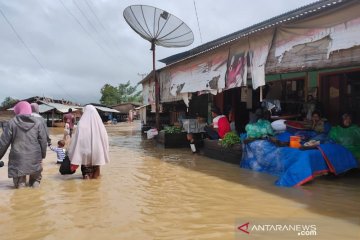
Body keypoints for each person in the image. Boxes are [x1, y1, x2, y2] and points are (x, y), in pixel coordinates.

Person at [0, 101, 47, 188]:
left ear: (18, 110)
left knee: (20, 186)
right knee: (35, 184)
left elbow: (3, 143)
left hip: (18, 161)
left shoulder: (12, 123)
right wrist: (42, 156)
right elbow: (43, 141)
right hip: (35, 159)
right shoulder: (38, 123)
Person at [68, 105, 110, 179]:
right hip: (97, 152)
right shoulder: (100, 125)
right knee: (96, 171)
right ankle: (95, 186)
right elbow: (105, 139)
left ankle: (86, 185)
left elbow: (76, 140)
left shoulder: (81, 124)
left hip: (85, 152)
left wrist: (73, 152)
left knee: (86, 172)